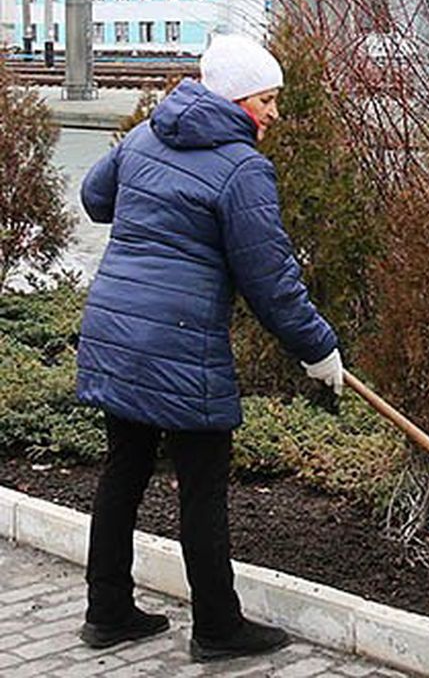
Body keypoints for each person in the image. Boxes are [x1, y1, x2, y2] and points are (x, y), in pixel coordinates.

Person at [74, 33, 344, 663]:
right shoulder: (241, 167)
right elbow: (271, 281)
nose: (274, 113)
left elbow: (94, 197)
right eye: (267, 99)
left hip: (118, 330)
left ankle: (106, 610)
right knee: (201, 486)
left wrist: (155, 218)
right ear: (236, 99)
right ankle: (219, 628)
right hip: (179, 345)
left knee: (124, 469)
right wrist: (319, 350)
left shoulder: (145, 136)